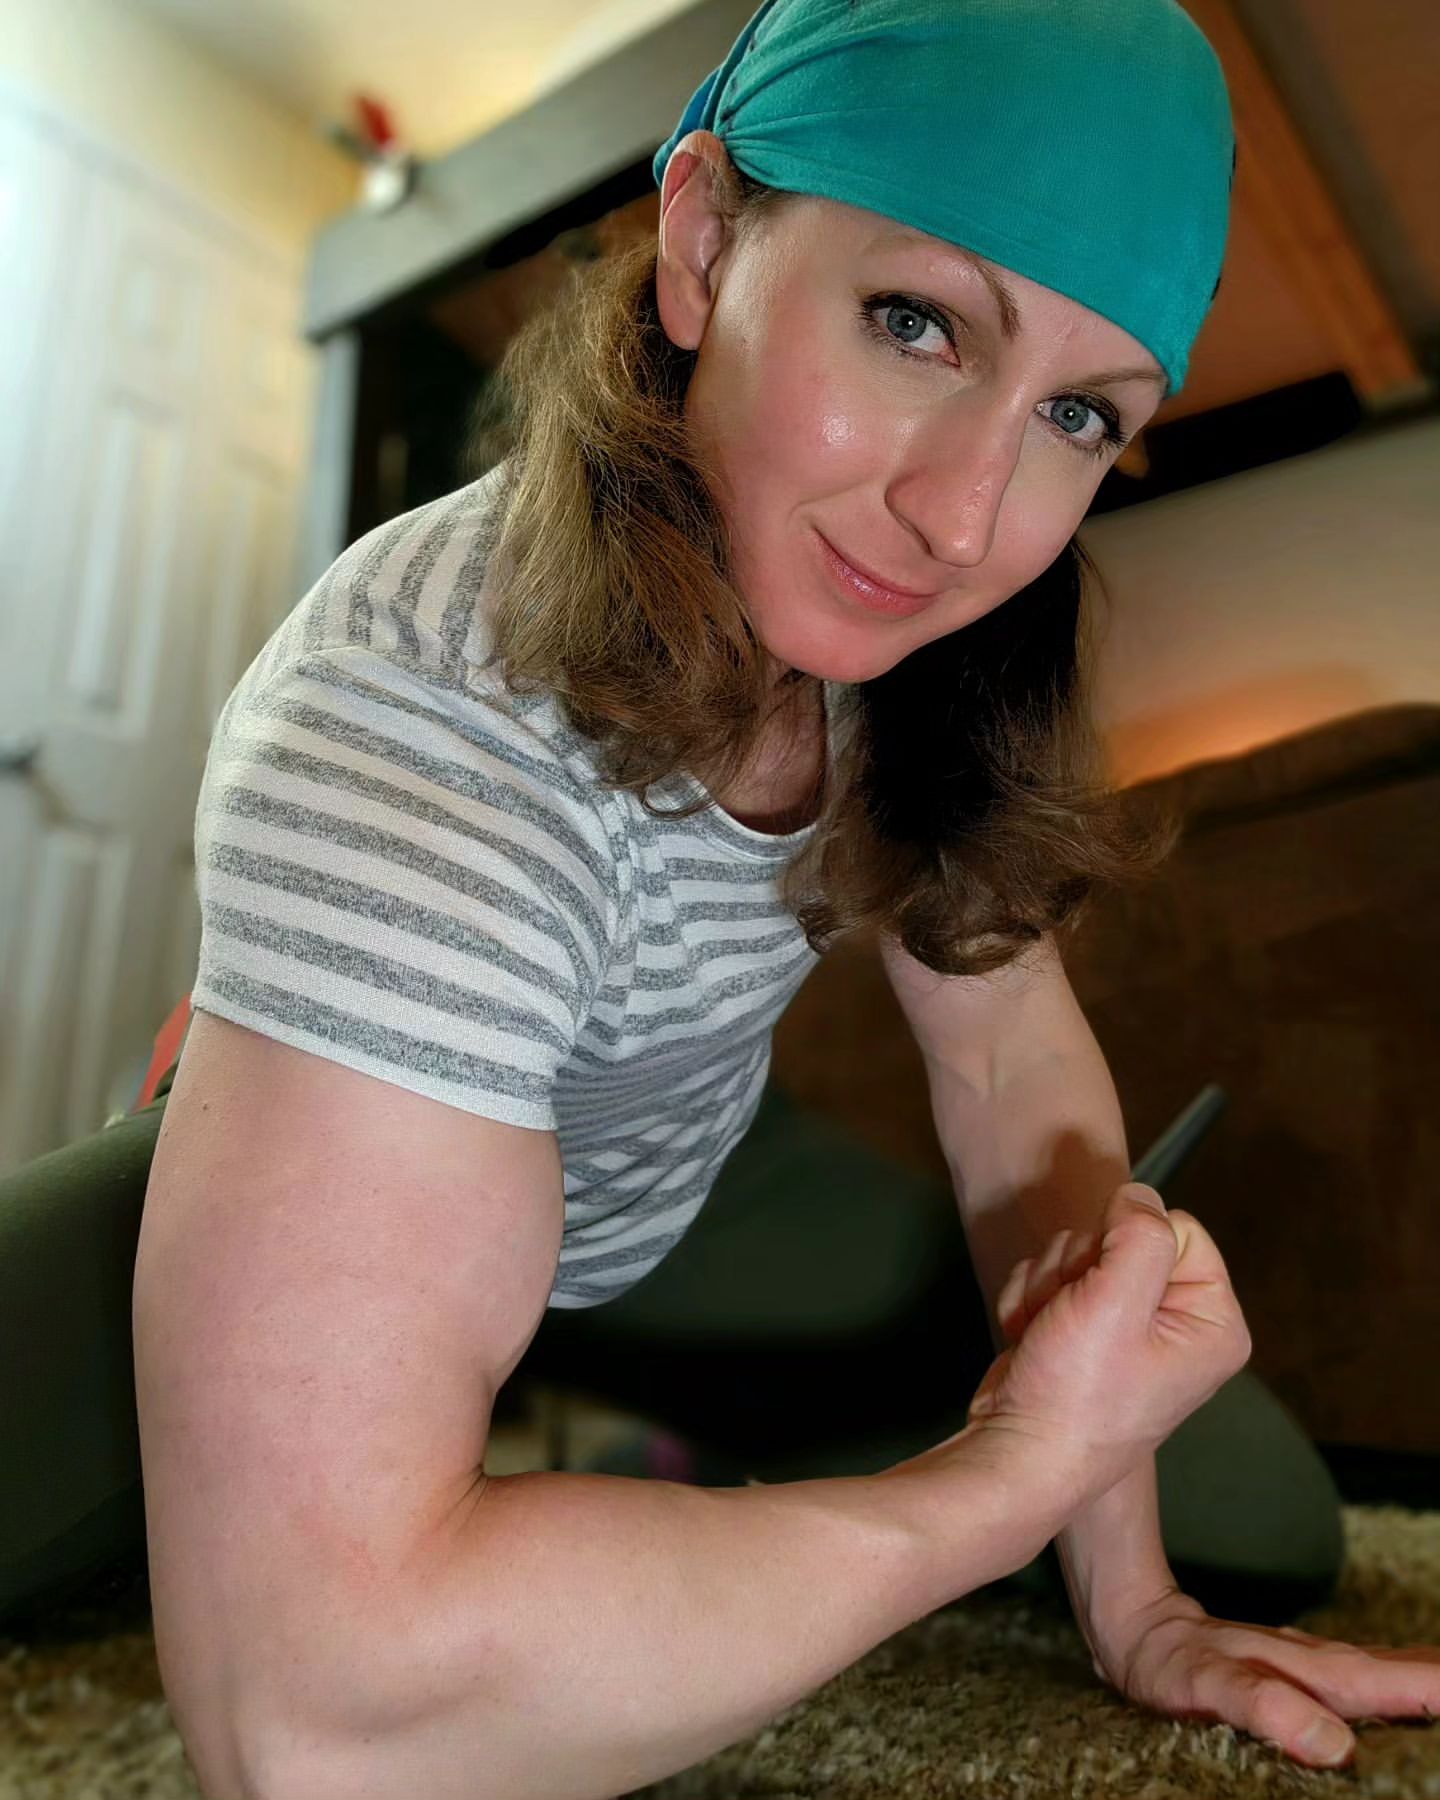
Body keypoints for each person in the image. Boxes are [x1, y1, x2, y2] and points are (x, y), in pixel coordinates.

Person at [4, 0, 1438, 1793]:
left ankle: (638, 1482)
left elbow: (1008, 1064)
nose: (964, 519)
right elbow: (310, 1725)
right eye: (916, 323)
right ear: (700, 241)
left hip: (672, 1194)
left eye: (1080, 414)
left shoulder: (909, 660)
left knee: (1252, 1512)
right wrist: (1001, 1488)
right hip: (361, 1129)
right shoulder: (417, 716)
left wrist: (1132, 1595)